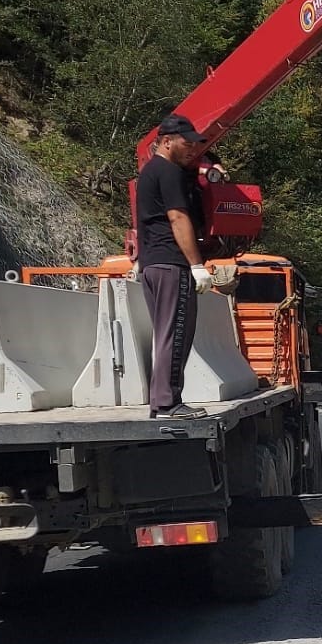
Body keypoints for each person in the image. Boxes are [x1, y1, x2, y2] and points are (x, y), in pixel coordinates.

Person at [135, 113, 214, 419]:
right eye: (186, 143)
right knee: (177, 331)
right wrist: (196, 265)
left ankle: (162, 402)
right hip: (171, 263)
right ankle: (168, 403)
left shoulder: (150, 172)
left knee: (165, 333)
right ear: (166, 141)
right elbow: (178, 217)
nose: (192, 149)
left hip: (152, 263)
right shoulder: (168, 172)